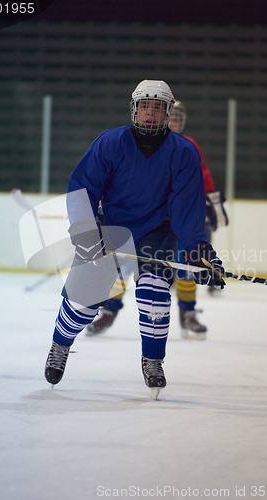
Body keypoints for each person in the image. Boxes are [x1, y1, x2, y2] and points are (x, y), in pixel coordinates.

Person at [44, 80, 225, 399]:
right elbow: (82, 188)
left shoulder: (184, 151)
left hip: (157, 233)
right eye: (145, 106)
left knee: (154, 294)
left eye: (157, 108)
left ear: (167, 112)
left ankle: (153, 361)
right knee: (82, 304)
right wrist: (86, 231)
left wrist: (197, 249)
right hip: (109, 229)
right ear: (134, 109)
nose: (150, 113)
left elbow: (186, 206)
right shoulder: (110, 142)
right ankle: (60, 344)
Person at [86, 100, 228, 340]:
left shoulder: (187, 146)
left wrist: (212, 202)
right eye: (170, 117)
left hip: (177, 220)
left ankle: (188, 313)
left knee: (185, 265)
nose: (173, 122)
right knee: (124, 266)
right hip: (146, 219)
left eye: (176, 118)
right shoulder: (137, 143)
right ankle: (109, 310)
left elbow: (202, 175)